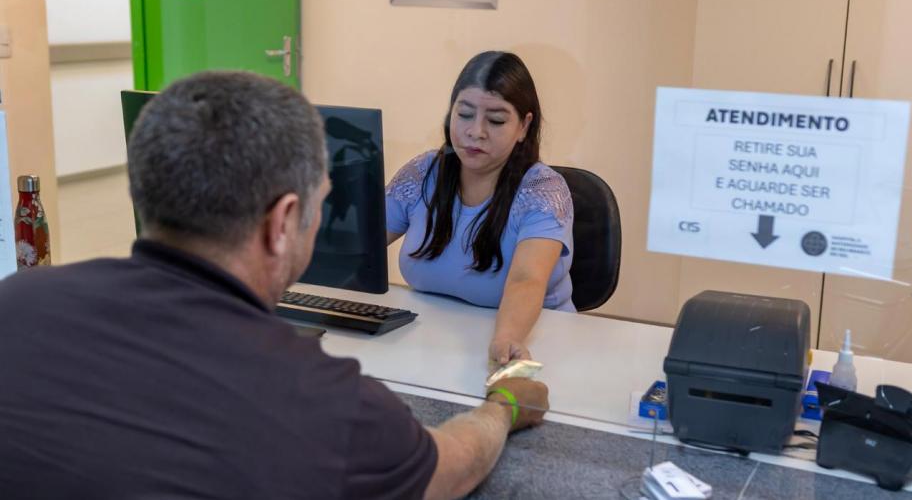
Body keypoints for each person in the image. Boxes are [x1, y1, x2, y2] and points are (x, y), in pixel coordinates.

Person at [0, 71, 549, 499]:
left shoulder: (16, 303)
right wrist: (501, 404)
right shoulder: (326, 404)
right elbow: (450, 471)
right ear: (284, 220)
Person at [386, 51, 574, 367]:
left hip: (533, 345)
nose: (476, 132)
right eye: (464, 114)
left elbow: (526, 279)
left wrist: (506, 340)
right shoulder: (422, 173)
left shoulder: (542, 190)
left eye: (496, 120)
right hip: (430, 344)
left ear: (524, 126)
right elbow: (357, 244)